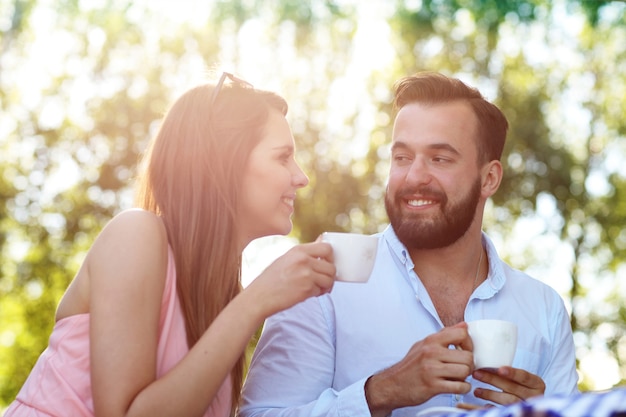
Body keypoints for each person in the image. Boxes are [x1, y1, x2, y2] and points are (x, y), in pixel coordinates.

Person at [239, 71, 579, 417]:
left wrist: (544, 415)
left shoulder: (544, 310)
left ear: (488, 178)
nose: (414, 176)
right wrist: (379, 393)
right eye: (402, 157)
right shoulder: (322, 283)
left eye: (440, 158)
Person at [5, 72, 336, 417]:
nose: (302, 177)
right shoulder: (136, 236)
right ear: (225, 163)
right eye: (282, 157)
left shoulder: (224, 297)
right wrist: (256, 302)